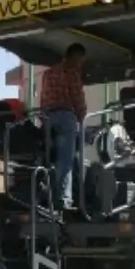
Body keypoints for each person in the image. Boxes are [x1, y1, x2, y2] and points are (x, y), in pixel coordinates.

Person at [37, 43, 88, 211]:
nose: (80, 63)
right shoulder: (72, 72)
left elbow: (43, 97)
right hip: (66, 117)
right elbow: (77, 98)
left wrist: (43, 118)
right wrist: (81, 117)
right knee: (66, 160)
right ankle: (63, 199)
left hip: (48, 117)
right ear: (74, 56)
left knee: (50, 158)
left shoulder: (48, 73)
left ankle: (45, 193)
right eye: (80, 59)